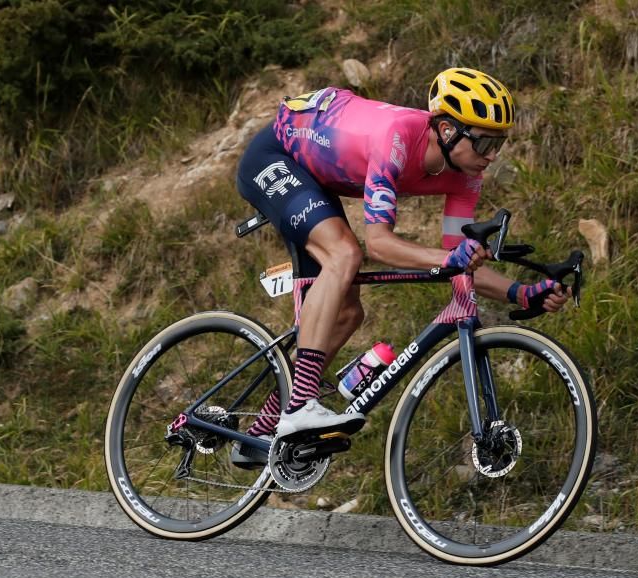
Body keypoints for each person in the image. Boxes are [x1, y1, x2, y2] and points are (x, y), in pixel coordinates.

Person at [231, 67, 570, 468]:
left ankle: (266, 425)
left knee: (350, 312)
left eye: (499, 144)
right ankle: (301, 403)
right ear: (446, 130)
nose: (492, 156)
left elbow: (460, 261)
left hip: (318, 176)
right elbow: (380, 243)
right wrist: (450, 259)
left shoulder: (465, 177)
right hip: (277, 155)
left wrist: (521, 292)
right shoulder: (397, 137)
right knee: (345, 254)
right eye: (483, 143)